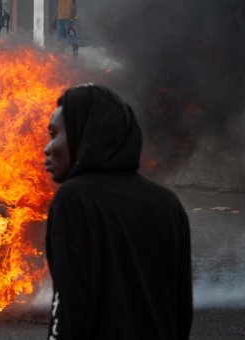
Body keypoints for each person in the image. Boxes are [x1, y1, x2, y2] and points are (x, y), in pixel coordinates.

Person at [43, 84, 192, 339]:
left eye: (54, 134)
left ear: (83, 136)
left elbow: (69, 305)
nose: (47, 148)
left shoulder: (74, 199)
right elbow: (181, 308)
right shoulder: (167, 203)